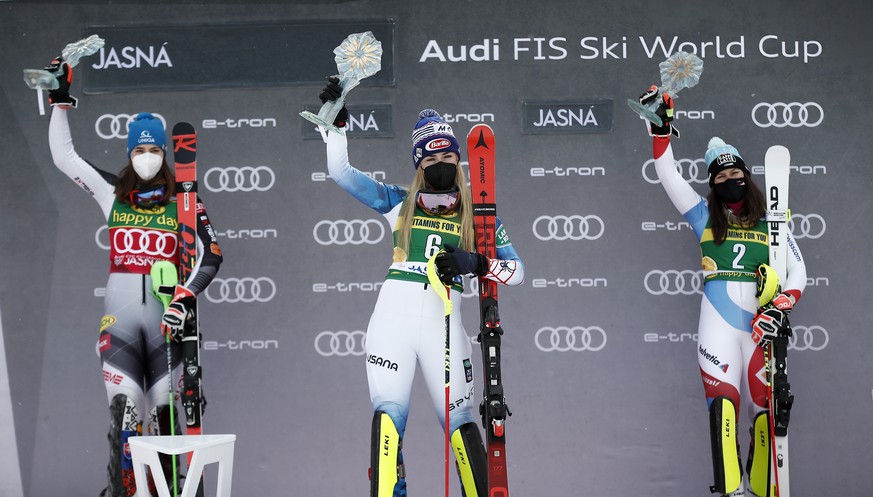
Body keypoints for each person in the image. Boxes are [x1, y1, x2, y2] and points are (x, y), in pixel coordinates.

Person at [316, 79, 524, 497]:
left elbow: (517, 272)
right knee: (388, 420)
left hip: (444, 329)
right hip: (391, 323)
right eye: (432, 158)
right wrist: (336, 127)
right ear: (418, 165)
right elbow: (341, 173)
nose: (442, 163)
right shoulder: (399, 201)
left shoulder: (477, 217)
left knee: (461, 421)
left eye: (449, 155)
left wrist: (478, 262)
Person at [45, 56, 223, 497]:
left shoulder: (184, 202)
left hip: (166, 331)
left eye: (154, 150)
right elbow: (64, 158)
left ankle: (169, 487)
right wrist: (60, 103)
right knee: (125, 417)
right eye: (139, 150)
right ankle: (126, 487)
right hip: (120, 329)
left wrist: (184, 297)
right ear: (129, 154)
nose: (147, 157)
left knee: (164, 421)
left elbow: (213, 254)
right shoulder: (111, 193)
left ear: (165, 154)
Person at [638, 89, 807, 497]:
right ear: (712, 184)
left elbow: (798, 271)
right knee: (722, 411)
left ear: (747, 177)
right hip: (717, 327)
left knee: (765, 417)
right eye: (720, 177)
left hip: (760, 330)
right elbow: (669, 176)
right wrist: (659, 131)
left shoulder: (772, 223)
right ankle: (732, 492)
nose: (729, 182)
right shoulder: (703, 217)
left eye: (736, 175)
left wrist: (782, 305)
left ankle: (764, 489)